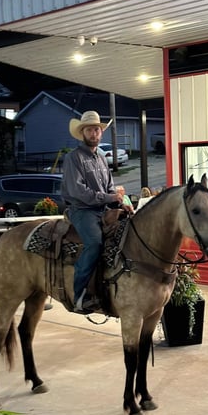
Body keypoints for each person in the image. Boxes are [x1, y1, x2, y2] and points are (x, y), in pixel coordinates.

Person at [62, 111, 134, 314]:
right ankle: (79, 295)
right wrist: (110, 198)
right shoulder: (73, 158)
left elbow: (110, 187)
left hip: (103, 209)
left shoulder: (102, 158)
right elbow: (78, 192)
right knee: (94, 243)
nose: (94, 133)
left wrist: (121, 202)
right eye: (90, 130)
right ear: (82, 133)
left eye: (97, 129)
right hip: (82, 210)